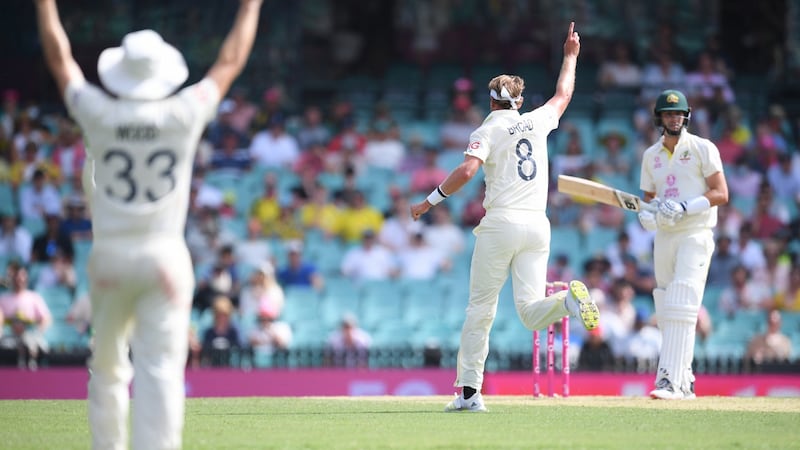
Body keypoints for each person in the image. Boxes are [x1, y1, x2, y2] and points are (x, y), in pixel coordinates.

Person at [33, 0, 263, 448]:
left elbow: (60, 59)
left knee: (107, 368)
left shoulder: (99, 113)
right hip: (164, 256)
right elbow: (231, 60)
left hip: (111, 255)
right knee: (161, 370)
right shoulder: (181, 113)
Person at [410, 22, 599, 413]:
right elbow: (563, 94)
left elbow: (466, 171)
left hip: (501, 224)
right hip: (537, 225)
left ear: (491, 101)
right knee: (531, 312)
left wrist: (429, 202)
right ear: (518, 100)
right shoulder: (537, 120)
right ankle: (568, 302)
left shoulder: (488, 127)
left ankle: (469, 393)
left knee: (481, 309)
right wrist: (570, 55)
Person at [635, 89, 729, 400]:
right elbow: (649, 200)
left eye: (678, 113)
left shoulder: (703, 148)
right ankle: (684, 378)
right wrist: (648, 217)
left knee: (682, 301)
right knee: (664, 304)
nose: (674, 118)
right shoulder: (651, 156)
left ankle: (670, 381)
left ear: (686, 116)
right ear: (659, 118)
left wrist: (686, 207)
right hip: (665, 237)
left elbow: (720, 192)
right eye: (668, 113)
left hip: (695, 232)